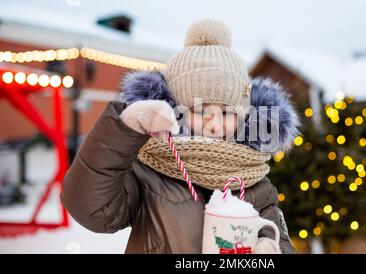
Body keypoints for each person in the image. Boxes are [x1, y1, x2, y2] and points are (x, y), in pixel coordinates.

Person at [61, 18, 299, 254]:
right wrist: (124, 130)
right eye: (200, 110)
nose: (215, 126)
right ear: (175, 109)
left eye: (227, 112)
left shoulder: (257, 184)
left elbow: (278, 239)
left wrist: (271, 250)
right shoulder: (147, 173)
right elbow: (91, 209)